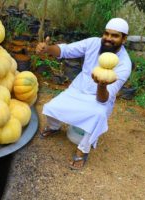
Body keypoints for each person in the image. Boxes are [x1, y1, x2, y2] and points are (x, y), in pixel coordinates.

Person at [35, 18, 132, 170]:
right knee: (51, 107)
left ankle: (83, 150)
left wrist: (101, 85)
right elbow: (66, 50)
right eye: (106, 34)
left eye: (115, 36)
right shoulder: (93, 43)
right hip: (77, 90)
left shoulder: (124, 64)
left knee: (98, 116)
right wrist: (48, 49)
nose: (108, 38)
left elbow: (104, 98)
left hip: (99, 98)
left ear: (124, 39)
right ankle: (54, 127)